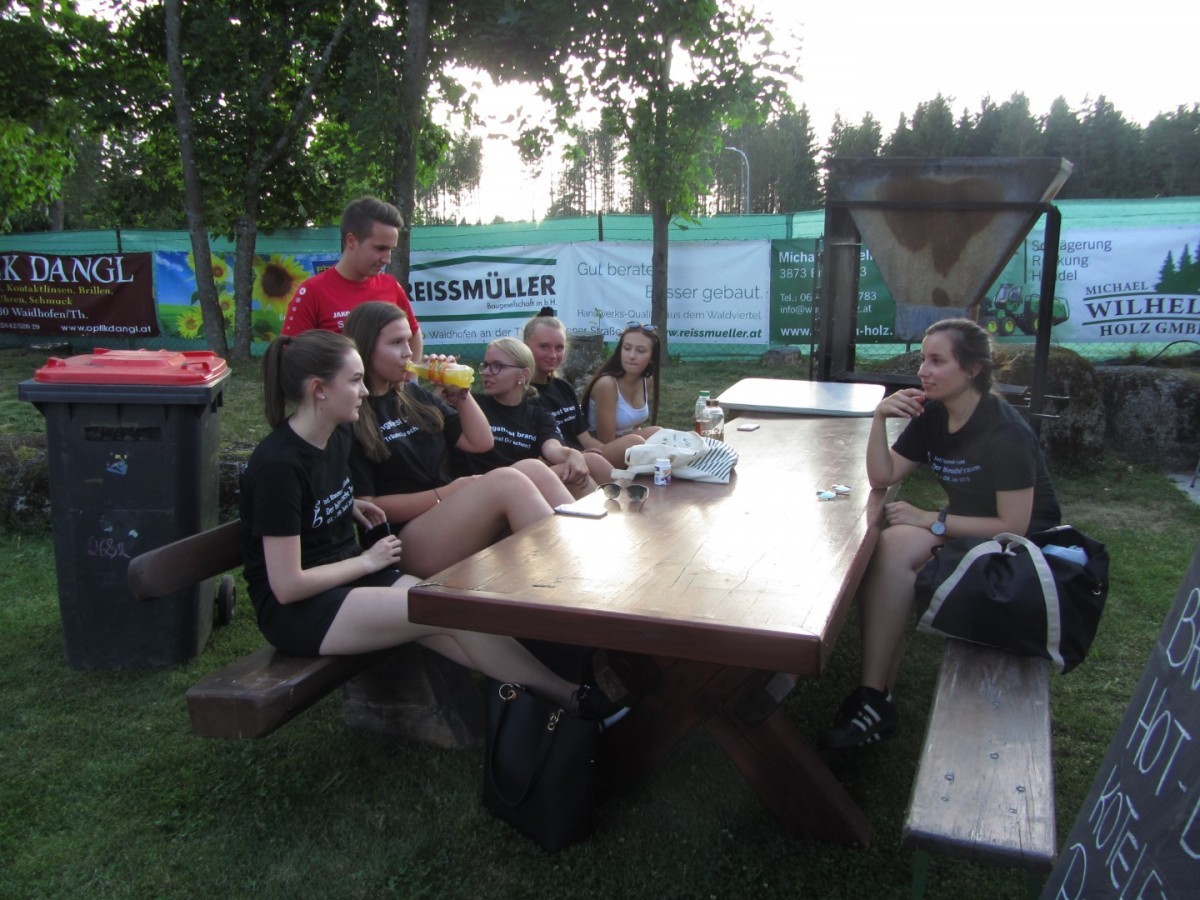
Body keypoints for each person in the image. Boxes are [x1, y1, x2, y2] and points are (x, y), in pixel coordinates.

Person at [238, 329, 618, 719]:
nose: (364, 391)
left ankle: (570, 697)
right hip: (304, 610)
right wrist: (367, 561)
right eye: (354, 381)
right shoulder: (277, 467)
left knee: (457, 611)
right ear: (319, 390)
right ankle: (574, 698)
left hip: (352, 577)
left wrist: (349, 504)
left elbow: (315, 496)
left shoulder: (333, 436)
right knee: (446, 612)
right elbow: (287, 586)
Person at [823, 318, 1061, 750]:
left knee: (897, 543)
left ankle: (874, 697)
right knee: (891, 545)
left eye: (937, 361)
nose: (923, 371)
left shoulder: (1005, 432)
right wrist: (879, 417)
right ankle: (874, 696)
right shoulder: (934, 413)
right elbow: (882, 476)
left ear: (972, 369)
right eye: (922, 359)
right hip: (971, 530)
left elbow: (1014, 526)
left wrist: (931, 519)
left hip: (1023, 554)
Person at [342, 302, 575, 578]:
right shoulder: (353, 412)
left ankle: (581, 549)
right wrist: (446, 493)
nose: (408, 352)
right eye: (396, 343)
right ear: (367, 348)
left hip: (446, 515)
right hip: (401, 540)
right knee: (507, 481)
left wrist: (460, 393)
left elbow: (480, 442)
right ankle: (567, 572)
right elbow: (369, 508)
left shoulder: (414, 397)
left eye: (408, 340)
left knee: (532, 467)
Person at [450, 337, 595, 499]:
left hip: (521, 492)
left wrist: (572, 454)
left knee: (592, 461)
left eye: (497, 366)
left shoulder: (538, 415)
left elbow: (552, 449)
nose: (487, 372)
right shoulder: (471, 406)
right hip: (477, 492)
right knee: (562, 473)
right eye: (486, 365)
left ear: (523, 374)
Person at [282, 197, 423, 362]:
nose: (387, 259)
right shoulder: (312, 292)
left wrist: (410, 376)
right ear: (352, 241)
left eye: (390, 250)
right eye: (380, 248)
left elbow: (414, 334)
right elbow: (290, 358)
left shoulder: (391, 286)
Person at [522, 310, 648, 484]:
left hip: (586, 456)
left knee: (642, 439)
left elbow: (585, 438)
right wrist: (585, 457)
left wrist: (608, 454)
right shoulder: (523, 393)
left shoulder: (563, 387)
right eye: (544, 347)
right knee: (631, 443)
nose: (553, 355)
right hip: (560, 464)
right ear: (525, 346)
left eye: (559, 348)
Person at [579, 321, 662, 446]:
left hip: (628, 442)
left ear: (652, 357)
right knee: (648, 437)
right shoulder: (607, 384)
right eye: (627, 348)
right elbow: (606, 442)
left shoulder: (647, 380)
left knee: (661, 433)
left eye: (641, 351)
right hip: (601, 449)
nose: (631, 356)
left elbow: (635, 426)